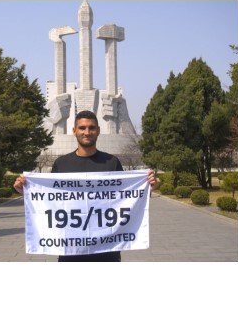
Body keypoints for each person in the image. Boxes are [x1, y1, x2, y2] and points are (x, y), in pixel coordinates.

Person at [15, 110, 157, 262]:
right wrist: (27, 191)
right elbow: (51, 201)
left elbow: (125, 198)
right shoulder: (62, 164)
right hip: (71, 252)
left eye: (91, 128)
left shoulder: (112, 162)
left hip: (107, 252)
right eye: (82, 128)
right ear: (74, 131)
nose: (87, 132)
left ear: (98, 131)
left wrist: (147, 188)